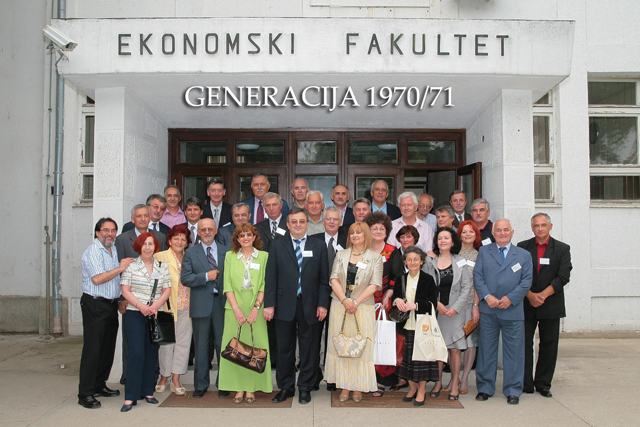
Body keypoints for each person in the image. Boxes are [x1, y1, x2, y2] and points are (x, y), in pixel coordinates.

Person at [264, 206, 330, 405]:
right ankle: (286, 387)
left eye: (302, 221)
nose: (298, 225)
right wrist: (269, 305)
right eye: (294, 221)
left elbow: (324, 279)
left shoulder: (318, 245)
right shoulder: (277, 244)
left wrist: (323, 304)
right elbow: (271, 277)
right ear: (288, 224)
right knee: (284, 349)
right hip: (283, 305)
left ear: (307, 223)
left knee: (310, 348)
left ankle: (305, 387)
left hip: (311, 305)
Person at [474, 219, 533, 405]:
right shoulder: (484, 251)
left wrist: (510, 298)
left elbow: (526, 281)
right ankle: (485, 388)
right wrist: (487, 297)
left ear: (512, 232)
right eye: (498, 230)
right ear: (493, 233)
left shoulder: (523, 255)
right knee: (486, 350)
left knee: (514, 352)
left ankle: (513, 390)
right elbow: (478, 276)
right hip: (489, 309)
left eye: (506, 230)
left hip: (512, 310)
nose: (502, 233)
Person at [78, 218, 134, 409]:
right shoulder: (93, 251)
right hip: (95, 304)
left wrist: (120, 298)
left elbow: (114, 280)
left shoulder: (112, 250)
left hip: (110, 305)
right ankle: (85, 393)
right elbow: (97, 279)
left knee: (107, 348)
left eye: (113, 230)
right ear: (97, 232)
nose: (110, 234)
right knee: (93, 350)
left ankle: (99, 385)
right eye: (106, 230)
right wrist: (120, 268)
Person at [325, 222, 383, 403]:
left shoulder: (375, 257)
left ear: (366, 235)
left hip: (363, 307)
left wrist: (355, 302)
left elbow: (375, 284)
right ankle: (345, 385)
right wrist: (345, 300)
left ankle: (358, 386)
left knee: (361, 347)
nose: (355, 236)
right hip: (340, 305)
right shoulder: (341, 254)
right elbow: (334, 279)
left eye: (358, 232)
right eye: (352, 233)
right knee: (342, 346)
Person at [518, 213, 572, 398]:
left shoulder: (562, 249)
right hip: (527, 302)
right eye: (536, 226)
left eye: (543, 225)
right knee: (524, 344)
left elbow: (563, 276)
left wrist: (542, 296)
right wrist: (530, 295)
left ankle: (543, 383)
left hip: (551, 304)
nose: (540, 229)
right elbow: (517, 275)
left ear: (550, 226)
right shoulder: (523, 247)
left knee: (549, 344)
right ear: (532, 228)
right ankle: (525, 383)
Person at [219, 223, 273, 403]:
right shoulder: (230, 256)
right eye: (241, 235)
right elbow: (227, 284)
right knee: (235, 348)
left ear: (254, 237)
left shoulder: (264, 256)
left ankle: (251, 388)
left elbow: (265, 284)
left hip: (256, 306)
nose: (245, 238)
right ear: (237, 239)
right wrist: (236, 309)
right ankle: (238, 387)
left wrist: (256, 308)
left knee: (255, 347)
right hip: (233, 306)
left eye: (248, 234)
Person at [119, 232, 171, 412]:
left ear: (155, 247)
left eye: (151, 244)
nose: (147, 248)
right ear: (138, 247)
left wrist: (155, 306)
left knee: (151, 353)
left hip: (155, 314)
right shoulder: (131, 266)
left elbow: (167, 289)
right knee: (136, 353)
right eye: (144, 244)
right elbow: (125, 290)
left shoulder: (162, 266)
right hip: (135, 313)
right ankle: (130, 396)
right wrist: (141, 306)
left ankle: (148, 391)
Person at [181, 218, 230, 398]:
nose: (207, 232)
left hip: (222, 304)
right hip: (200, 304)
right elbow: (185, 278)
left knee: (223, 345)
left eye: (210, 229)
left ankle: (224, 383)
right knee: (201, 347)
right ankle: (200, 385)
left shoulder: (227, 251)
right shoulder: (190, 253)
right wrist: (205, 277)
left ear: (216, 230)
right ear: (198, 232)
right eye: (203, 230)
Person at [422, 227, 472, 401]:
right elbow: (426, 286)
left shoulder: (460, 261)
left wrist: (455, 308)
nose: (443, 241)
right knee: (438, 349)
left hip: (455, 312)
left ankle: (454, 384)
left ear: (452, 242)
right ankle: (437, 383)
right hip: (436, 310)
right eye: (440, 238)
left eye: (446, 238)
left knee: (455, 349)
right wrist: (436, 304)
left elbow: (466, 286)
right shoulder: (430, 261)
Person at [392, 246, 439, 407]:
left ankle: (421, 390)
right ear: (405, 262)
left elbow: (433, 304)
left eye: (416, 259)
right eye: (409, 259)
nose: (412, 262)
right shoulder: (401, 279)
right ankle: (412, 388)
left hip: (422, 325)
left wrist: (416, 305)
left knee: (422, 360)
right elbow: (396, 296)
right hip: (406, 325)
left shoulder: (428, 279)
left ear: (422, 262)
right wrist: (397, 300)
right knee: (408, 360)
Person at [310, 206, 348, 391]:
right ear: (323, 221)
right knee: (313, 338)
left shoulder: (348, 240)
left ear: (340, 222)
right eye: (328, 219)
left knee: (336, 337)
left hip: (340, 297)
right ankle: (314, 376)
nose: (332, 222)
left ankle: (334, 377)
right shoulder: (313, 240)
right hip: (316, 296)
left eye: (335, 219)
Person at [154, 225, 193, 396]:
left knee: (183, 344)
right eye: (176, 238)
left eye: (183, 239)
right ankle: (164, 377)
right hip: (166, 308)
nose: (179, 241)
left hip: (187, 308)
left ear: (187, 242)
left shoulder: (190, 257)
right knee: (166, 345)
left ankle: (176, 378)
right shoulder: (159, 257)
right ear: (169, 240)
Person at [363, 211, 398, 396]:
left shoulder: (393, 251)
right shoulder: (362, 250)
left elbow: (396, 276)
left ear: (387, 231)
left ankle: (381, 380)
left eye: (381, 228)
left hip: (384, 303)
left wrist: (388, 294)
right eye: (374, 228)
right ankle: (365, 377)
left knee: (383, 340)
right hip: (364, 302)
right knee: (365, 340)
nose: (377, 231)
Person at [385, 224, 421, 391]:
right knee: (399, 342)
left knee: (414, 342)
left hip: (416, 304)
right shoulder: (394, 254)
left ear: (415, 239)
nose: (406, 239)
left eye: (409, 236)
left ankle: (415, 378)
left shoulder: (421, 256)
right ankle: (400, 376)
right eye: (403, 236)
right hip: (398, 302)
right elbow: (392, 277)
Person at [457, 220, 482, 395]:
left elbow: (480, 283)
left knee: (470, 342)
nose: (467, 235)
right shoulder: (453, 254)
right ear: (459, 235)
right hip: (454, 305)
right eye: (464, 232)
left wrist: (476, 305)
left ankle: (465, 378)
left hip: (471, 304)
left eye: (471, 231)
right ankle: (455, 378)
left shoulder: (480, 256)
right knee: (454, 342)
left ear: (476, 235)